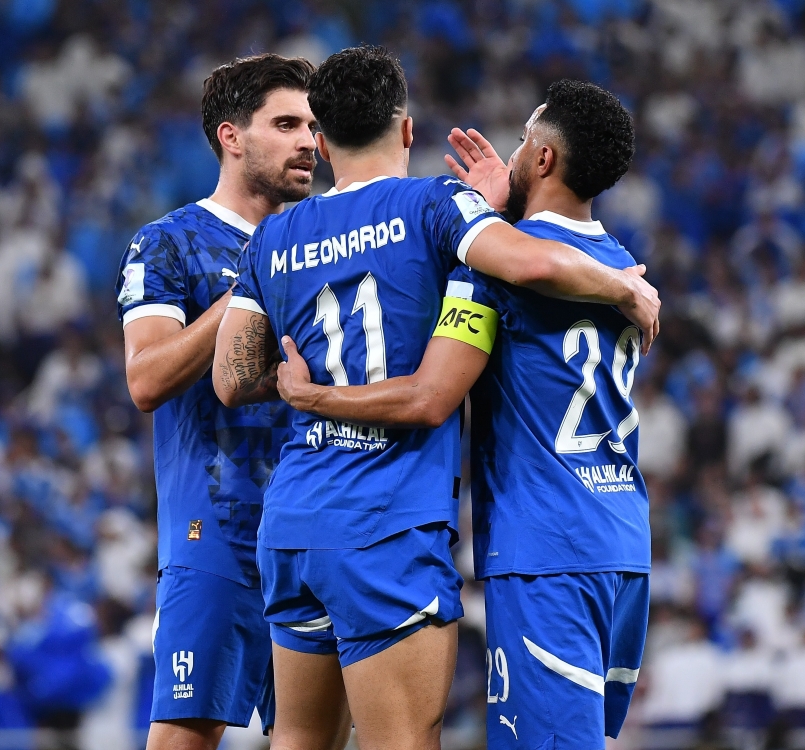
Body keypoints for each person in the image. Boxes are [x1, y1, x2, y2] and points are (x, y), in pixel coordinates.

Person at [212, 47, 659, 750]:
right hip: (391, 529)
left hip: (295, 521)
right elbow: (525, 266)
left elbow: (231, 377)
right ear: (409, 130)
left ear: (322, 141)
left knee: (297, 740)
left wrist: (298, 385)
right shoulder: (436, 209)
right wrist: (624, 285)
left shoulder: (273, 236)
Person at [115, 55, 350, 750]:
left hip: (317, 529)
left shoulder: (329, 241)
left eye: (313, 125)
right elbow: (146, 380)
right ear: (231, 136)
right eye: (286, 124)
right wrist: (251, 283)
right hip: (215, 532)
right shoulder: (168, 243)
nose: (309, 140)